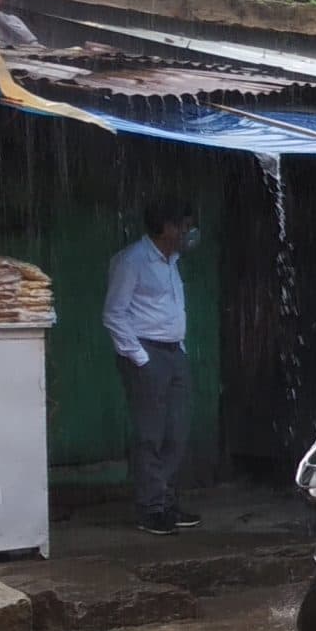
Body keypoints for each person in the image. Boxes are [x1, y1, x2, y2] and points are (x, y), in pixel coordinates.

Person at [103, 198, 199, 535]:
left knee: (177, 430)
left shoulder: (171, 260)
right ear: (167, 228)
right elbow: (114, 313)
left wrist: (179, 347)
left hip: (173, 353)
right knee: (150, 434)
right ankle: (151, 508)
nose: (188, 233)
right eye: (184, 227)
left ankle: (166, 499)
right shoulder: (133, 261)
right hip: (147, 354)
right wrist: (141, 359)